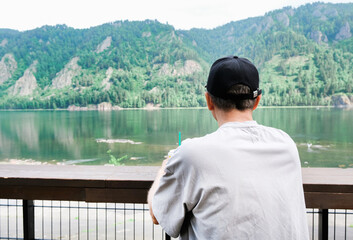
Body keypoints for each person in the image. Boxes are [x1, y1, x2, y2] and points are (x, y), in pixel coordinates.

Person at [148, 56, 309, 239]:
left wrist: (164, 169)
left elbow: (157, 214)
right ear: (257, 101)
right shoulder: (285, 144)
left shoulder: (192, 154)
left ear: (209, 101)